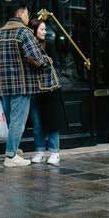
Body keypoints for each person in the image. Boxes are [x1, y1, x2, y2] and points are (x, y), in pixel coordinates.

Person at [0, 3, 52, 167]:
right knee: (18, 121)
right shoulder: (24, 32)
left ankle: (14, 149)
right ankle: (11, 157)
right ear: (21, 13)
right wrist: (47, 61)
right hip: (21, 85)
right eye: (27, 14)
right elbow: (36, 57)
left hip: (3, 86)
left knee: (12, 121)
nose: (28, 17)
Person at [28, 18, 67, 166]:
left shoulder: (49, 44)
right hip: (34, 89)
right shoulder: (27, 45)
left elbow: (55, 62)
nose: (45, 32)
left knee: (52, 121)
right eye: (42, 29)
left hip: (50, 88)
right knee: (37, 122)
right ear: (34, 30)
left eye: (45, 29)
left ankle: (54, 152)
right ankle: (40, 151)